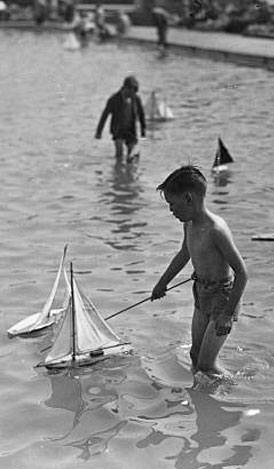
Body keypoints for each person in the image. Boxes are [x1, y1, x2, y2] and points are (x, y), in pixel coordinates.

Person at [151, 165, 248, 378]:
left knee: (206, 365)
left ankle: (236, 390)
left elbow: (242, 273)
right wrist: (162, 283)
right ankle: (201, 401)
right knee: (195, 355)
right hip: (202, 293)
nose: (171, 211)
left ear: (188, 198)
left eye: (172, 204)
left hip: (223, 298)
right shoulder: (189, 224)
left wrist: (227, 314)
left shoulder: (216, 230)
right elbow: (184, 253)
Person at [95, 76, 146, 162]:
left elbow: (141, 115)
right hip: (118, 129)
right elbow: (105, 115)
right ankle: (118, 171)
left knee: (130, 156)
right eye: (132, 91)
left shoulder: (136, 99)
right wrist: (99, 132)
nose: (133, 94)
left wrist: (143, 130)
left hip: (131, 129)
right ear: (125, 88)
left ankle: (129, 172)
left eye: (134, 92)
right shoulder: (114, 99)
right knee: (119, 154)